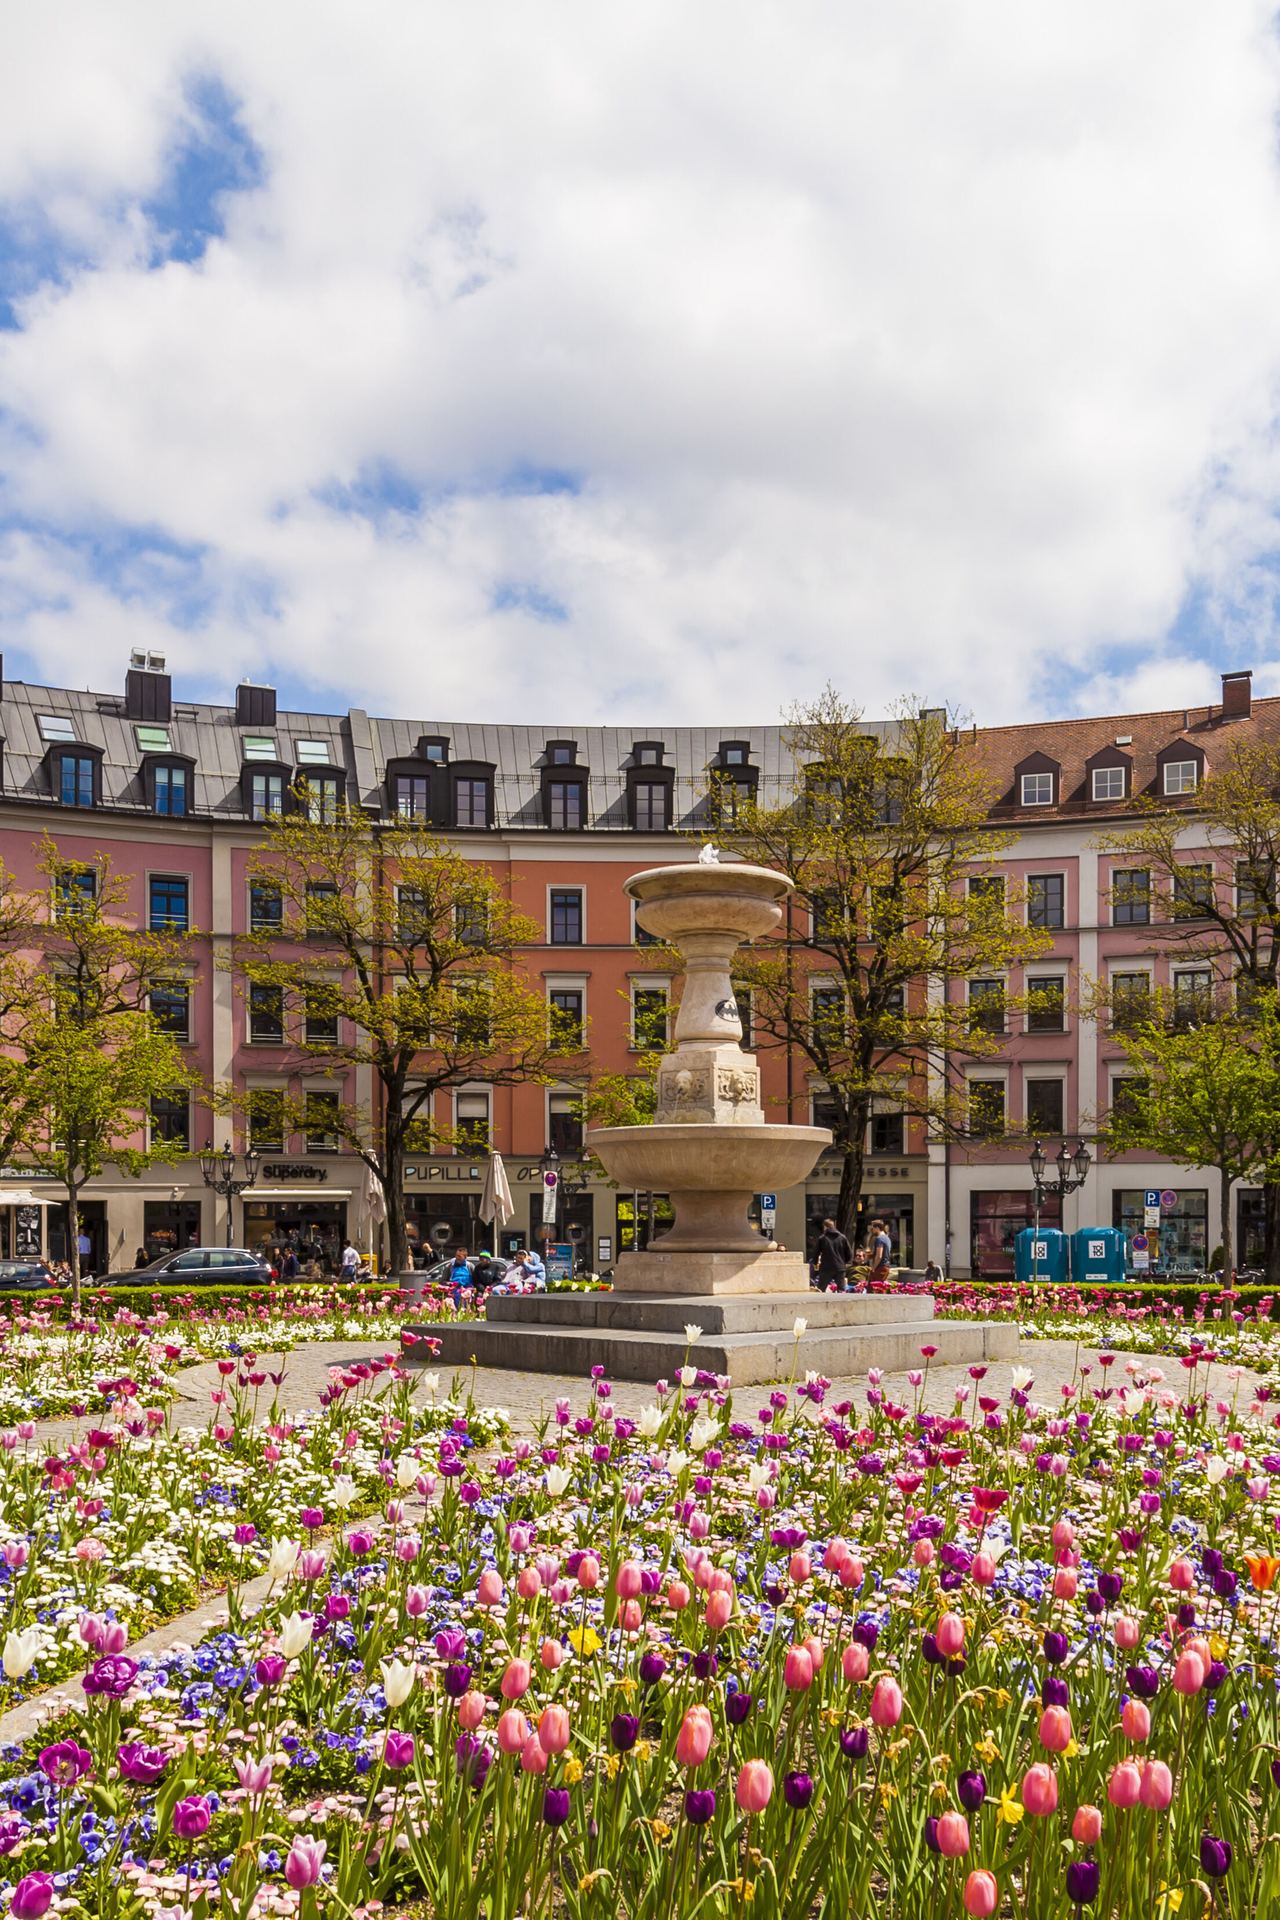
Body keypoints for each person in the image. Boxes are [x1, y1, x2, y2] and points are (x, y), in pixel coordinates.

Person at [813, 1217, 853, 1293]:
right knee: (841, 1290)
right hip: (840, 1267)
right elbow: (849, 1253)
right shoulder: (842, 1237)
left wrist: (815, 1263)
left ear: (825, 1226)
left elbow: (816, 1252)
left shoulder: (822, 1238)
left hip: (826, 1267)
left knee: (820, 1289)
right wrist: (844, 1262)